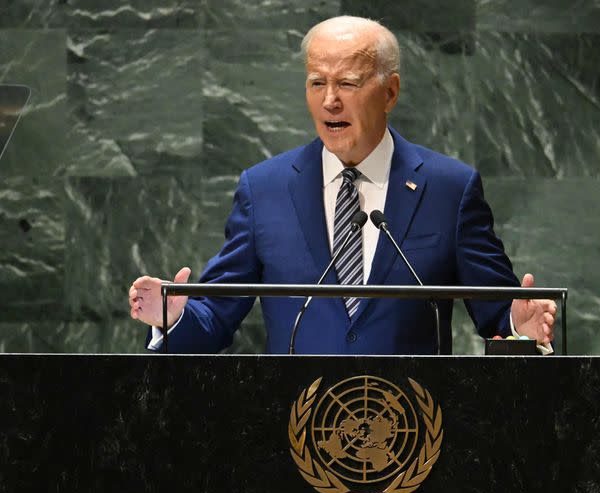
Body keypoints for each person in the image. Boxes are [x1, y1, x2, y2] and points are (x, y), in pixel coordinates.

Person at [128, 16, 557, 354]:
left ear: (389, 93)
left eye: (347, 83)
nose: (330, 99)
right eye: (318, 83)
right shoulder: (265, 190)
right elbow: (216, 318)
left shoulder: (449, 189)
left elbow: (499, 312)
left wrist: (519, 327)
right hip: (297, 434)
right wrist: (175, 318)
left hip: (414, 437)